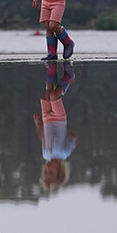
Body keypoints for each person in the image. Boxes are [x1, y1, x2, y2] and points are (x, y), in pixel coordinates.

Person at [34, 61, 76, 192]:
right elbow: (73, 139)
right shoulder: (64, 153)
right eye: (51, 172)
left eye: (46, 172)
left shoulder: (46, 154)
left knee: (48, 93)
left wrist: (38, 124)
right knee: (54, 95)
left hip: (47, 119)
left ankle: (52, 68)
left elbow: (44, 137)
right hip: (59, 119)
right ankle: (68, 77)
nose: (47, 169)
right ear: (59, 171)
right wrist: (69, 135)